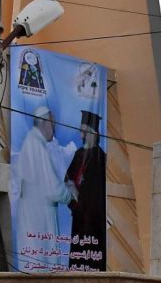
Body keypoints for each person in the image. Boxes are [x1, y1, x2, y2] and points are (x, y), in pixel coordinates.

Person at [10, 105, 72, 271]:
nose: (55, 129)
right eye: (53, 124)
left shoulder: (32, 143)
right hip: (40, 218)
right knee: (43, 267)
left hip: (34, 215)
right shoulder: (36, 146)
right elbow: (52, 189)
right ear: (45, 124)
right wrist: (70, 194)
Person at [63, 109, 107, 270]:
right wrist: (73, 190)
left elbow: (95, 191)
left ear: (91, 132)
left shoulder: (100, 158)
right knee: (77, 254)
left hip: (93, 218)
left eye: (83, 130)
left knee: (91, 254)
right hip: (79, 214)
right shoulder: (79, 154)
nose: (80, 134)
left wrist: (79, 193)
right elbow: (67, 178)